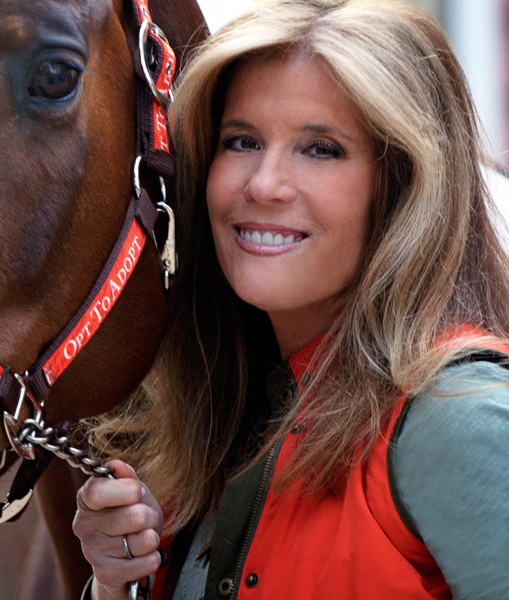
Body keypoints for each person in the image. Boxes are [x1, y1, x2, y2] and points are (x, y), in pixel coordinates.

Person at [71, 1, 509, 599]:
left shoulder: (456, 419)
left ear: (403, 185)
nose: (263, 184)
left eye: (321, 148)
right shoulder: (208, 426)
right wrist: (115, 587)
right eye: (242, 140)